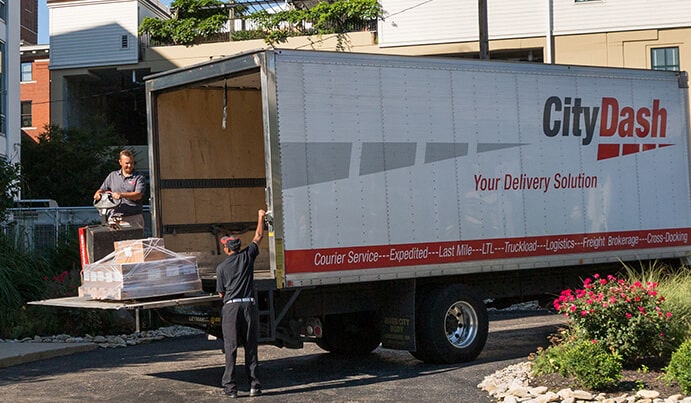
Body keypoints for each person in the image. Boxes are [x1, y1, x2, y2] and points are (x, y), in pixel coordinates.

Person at [216, 209, 266, 398]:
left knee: (231, 347)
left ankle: (231, 388)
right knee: (251, 346)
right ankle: (254, 385)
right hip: (249, 306)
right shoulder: (247, 257)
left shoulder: (221, 268)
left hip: (231, 308)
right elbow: (258, 236)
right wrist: (260, 216)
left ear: (228, 249)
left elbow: (221, 293)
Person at [93, 150, 146, 228]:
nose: (130, 165)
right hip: (113, 218)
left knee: (132, 240)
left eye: (132, 163)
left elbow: (138, 195)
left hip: (133, 217)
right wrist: (98, 194)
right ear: (120, 162)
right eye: (127, 163)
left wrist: (121, 195)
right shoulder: (112, 176)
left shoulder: (139, 177)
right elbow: (102, 189)